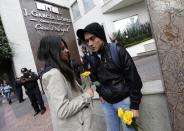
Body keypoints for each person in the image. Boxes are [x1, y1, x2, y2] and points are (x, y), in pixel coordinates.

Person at [77, 22, 143, 131]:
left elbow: (134, 79)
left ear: (101, 36)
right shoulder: (92, 58)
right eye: (87, 41)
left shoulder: (117, 50)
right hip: (107, 104)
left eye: (92, 39)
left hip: (124, 102)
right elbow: (94, 78)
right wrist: (100, 92)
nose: (90, 43)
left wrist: (135, 106)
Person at [37, 35, 94, 131]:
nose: (67, 51)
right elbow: (62, 110)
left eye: (66, 47)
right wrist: (86, 96)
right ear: (53, 52)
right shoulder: (54, 74)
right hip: (78, 126)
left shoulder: (59, 70)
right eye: (62, 48)